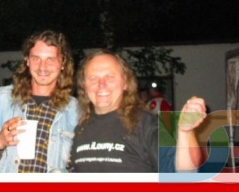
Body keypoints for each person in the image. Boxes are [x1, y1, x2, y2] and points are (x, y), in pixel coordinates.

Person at [69, 49, 207, 173]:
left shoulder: (147, 123)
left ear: (125, 82)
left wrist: (185, 132)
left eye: (110, 77)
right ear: (84, 86)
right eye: (93, 78)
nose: (101, 85)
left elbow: (184, 174)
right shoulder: (79, 128)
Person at [0, 30, 78, 173]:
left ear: (63, 63)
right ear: (27, 60)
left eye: (50, 59)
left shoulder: (76, 112)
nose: (42, 67)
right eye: (36, 58)